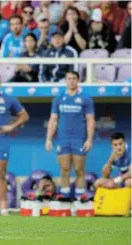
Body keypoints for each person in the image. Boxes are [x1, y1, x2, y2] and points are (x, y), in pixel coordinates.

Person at [0, 72, 29, 216]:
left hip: (1, 141)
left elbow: (24, 116)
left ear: (0, 84)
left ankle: (4, 207)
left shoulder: (9, 100)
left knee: (0, 173)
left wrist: (11, 127)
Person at [45, 71, 95, 201]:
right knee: (64, 169)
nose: (71, 81)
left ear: (78, 81)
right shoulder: (59, 98)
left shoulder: (85, 99)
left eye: (74, 78)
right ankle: (65, 199)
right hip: (63, 139)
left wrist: (89, 139)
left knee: (79, 170)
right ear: (65, 81)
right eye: (69, 78)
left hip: (79, 139)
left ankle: (80, 200)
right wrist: (49, 139)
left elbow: (90, 119)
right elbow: (53, 119)